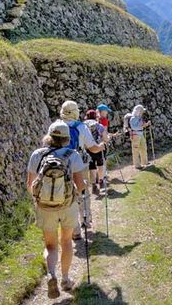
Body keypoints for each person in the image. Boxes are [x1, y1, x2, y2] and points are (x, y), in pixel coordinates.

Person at [26, 120, 86, 298]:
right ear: (67, 138)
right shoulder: (72, 154)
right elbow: (80, 185)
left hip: (45, 207)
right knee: (66, 241)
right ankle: (66, 279)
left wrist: (40, 199)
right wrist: (77, 191)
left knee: (50, 245)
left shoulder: (37, 155)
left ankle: (51, 274)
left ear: (49, 136)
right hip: (67, 205)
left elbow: (30, 184)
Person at [59, 100, 104, 239]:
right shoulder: (81, 127)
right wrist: (101, 146)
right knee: (82, 191)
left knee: (67, 195)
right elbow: (92, 147)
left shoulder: (56, 126)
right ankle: (85, 219)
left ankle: (74, 229)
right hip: (79, 163)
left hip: (61, 164)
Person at [84, 109, 110, 194]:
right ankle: (101, 181)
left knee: (91, 166)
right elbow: (105, 138)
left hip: (88, 148)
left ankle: (94, 185)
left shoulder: (83, 126)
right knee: (100, 164)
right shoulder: (99, 126)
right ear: (95, 116)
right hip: (98, 148)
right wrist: (107, 140)